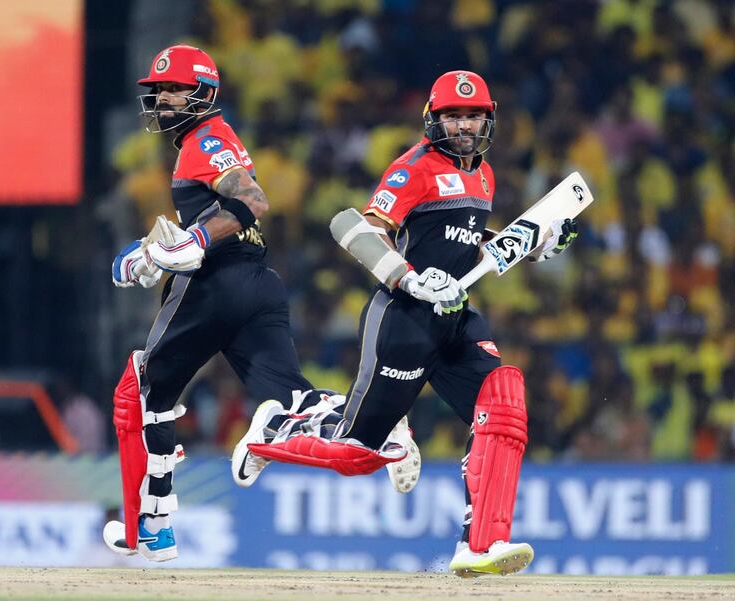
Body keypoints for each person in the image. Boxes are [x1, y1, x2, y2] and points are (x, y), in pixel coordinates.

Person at [235, 70, 578, 577]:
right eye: (453, 116)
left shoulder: (484, 174)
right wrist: (412, 280)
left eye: (473, 116)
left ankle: (479, 544)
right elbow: (359, 227)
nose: (464, 126)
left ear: (489, 119)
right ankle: (276, 429)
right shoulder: (413, 166)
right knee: (357, 455)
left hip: (455, 317)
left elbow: (467, 242)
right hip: (404, 319)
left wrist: (532, 246)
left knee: (503, 404)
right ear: (433, 120)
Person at [103, 44, 314, 562]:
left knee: (141, 391)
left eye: (175, 89)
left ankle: (151, 526)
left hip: (214, 284)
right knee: (296, 403)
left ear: (204, 93)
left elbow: (253, 200)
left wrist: (191, 244)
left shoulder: (206, 136)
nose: (164, 99)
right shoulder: (203, 141)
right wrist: (154, 250)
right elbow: (220, 213)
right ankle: (379, 434)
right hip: (258, 283)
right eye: (159, 90)